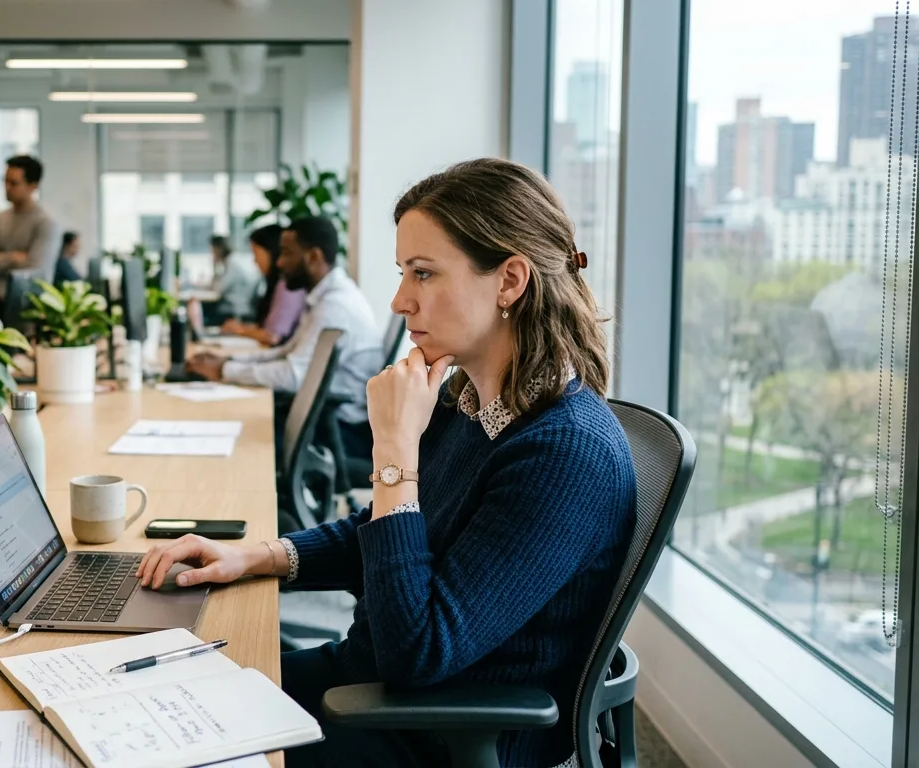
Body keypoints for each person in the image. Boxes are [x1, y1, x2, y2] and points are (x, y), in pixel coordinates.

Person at [138, 159, 637, 768]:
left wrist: (395, 451)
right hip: (371, 687)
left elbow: (419, 650)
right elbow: (384, 533)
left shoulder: (564, 455)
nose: (401, 301)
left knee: (155, 738)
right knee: (149, 687)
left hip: (432, 732)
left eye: (423, 274)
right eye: (404, 273)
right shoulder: (469, 401)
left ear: (509, 280)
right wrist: (257, 556)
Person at [183, 217, 380, 446]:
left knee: (229, 431)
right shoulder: (324, 298)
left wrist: (225, 370)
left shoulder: (334, 306)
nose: (279, 263)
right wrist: (227, 360)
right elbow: (285, 352)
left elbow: (293, 375)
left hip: (339, 428)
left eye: (286, 253)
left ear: (313, 256)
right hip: (321, 415)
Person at [0, 155, 61, 315]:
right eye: (5, 181)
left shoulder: (45, 223)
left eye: (14, 183)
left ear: (33, 186)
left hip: (29, 307)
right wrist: (14, 258)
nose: (7, 187)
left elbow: (38, 269)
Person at [218, 224, 305, 347]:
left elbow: (273, 336)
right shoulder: (275, 284)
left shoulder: (287, 286)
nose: (255, 261)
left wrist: (240, 330)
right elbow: (267, 327)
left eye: (256, 253)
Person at [201, 234, 262, 326]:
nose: (212, 253)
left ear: (218, 249)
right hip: (239, 307)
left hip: (235, 310)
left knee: (203, 315)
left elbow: (219, 289)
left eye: (212, 250)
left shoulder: (232, 264)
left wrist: (214, 266)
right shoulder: (233, 260)